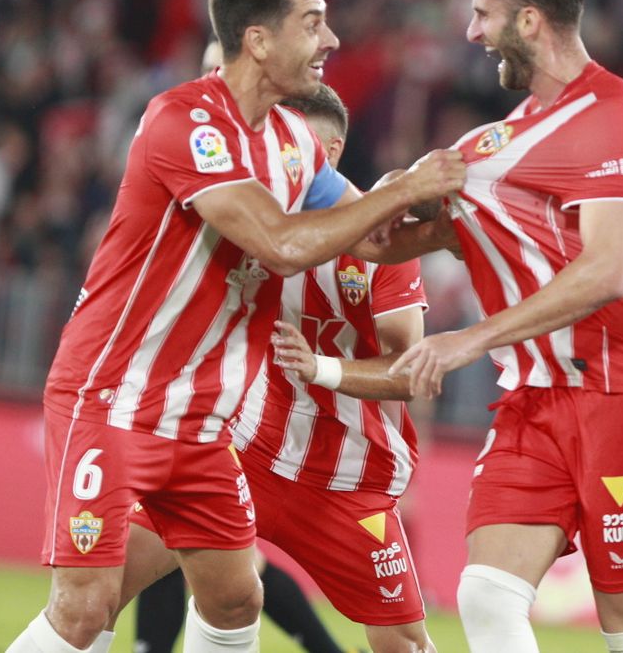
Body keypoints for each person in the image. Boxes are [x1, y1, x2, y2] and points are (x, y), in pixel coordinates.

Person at [5, 0, 464, 653]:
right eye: (313, 24)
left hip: (202, 415)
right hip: (114, 396)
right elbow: (278, 242)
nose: (331, 42)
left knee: (234, 594)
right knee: (86, 607)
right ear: (259, 40)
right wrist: (402, 187)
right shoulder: (186, 123)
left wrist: (449, 231)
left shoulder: (290, 142)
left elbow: (365, 240)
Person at [390, 0, 623, 653]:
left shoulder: (612, 117)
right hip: (534, 398)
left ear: (529, 20)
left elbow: (606, 273)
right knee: (486, 596)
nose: (471, 32)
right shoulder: (501, 140)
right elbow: (392, 235)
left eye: (483, 14)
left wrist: (471, 338)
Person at [131, 82, 436, 653]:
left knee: (404, 643)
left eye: (300, 145)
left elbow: (409, 370)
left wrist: (321, 369)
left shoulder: (382, 243)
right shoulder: (251, 224)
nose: (286, 157)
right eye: (276, 142)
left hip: (349, 477)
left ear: (335, 150)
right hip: (243, 448)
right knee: (100, 582)